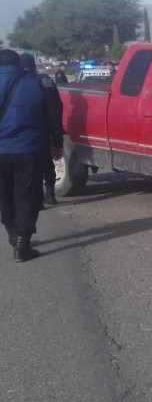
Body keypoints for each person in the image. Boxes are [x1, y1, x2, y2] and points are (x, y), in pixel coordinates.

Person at [0, 49, 64, 262]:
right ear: (19, 64)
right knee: (26, 195)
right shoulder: (37, 84)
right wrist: (57, 142)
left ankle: (12, 234)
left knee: (5, 195)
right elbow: (54, 114)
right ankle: (22, 244)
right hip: (30, 150)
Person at [19, 54, 64, 206]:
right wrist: (59, 141)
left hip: (26, 133)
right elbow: (56, 111)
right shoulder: (45, 81)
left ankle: (37, 199)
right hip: (46, 130)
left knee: (31, 167)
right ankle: (50, 194)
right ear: (34, 66)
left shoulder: (19, 83)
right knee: (47, 163)